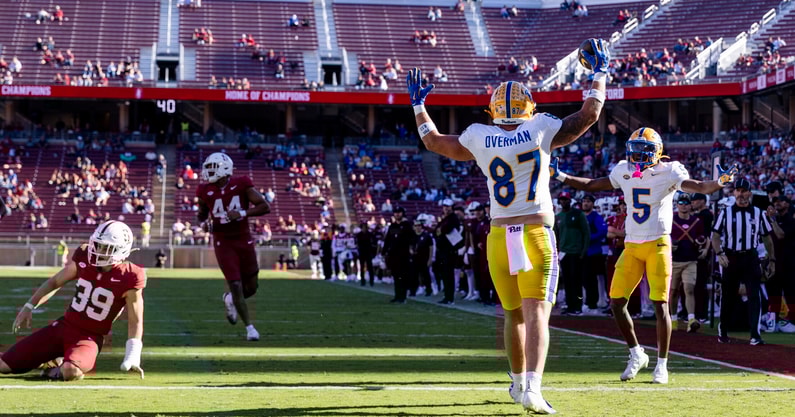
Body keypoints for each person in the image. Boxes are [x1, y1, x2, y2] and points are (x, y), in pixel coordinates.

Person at [405, 37, 609, 413]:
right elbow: (589, 115)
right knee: (537, 315)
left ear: (492, 110)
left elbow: (433, 141)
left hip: (499, 237)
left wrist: (419, 105)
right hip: (534, 234)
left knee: (512, 314)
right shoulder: (541, 127)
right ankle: (532, 388)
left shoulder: (478, 136)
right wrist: (599, 74)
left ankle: (517, 385)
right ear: (531, 107)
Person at [550, 126, 738, 384]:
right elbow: (593, 185)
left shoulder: (669, 170)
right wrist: (560, 176)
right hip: (632, 246)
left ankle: (662, 364)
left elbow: (698, 187)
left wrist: (719, 183)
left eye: (644, 150)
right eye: (634, 150)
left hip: (658, 244)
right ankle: (636, 353)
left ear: (657, 151)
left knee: (661, 304)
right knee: (616, 302)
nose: (638, 156)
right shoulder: (623, 169)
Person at [1, 221, 146, 381]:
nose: (98, 251)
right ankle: (48, 361)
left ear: (121, 250)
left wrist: (133, 354)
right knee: (4, 365)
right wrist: (29, 306)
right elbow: (55, 282)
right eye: (97, 245)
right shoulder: (84, 256)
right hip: (63, 327)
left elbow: (135, 320)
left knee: (71, 370)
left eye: (106, 248)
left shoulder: (130, 276)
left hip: (89, 338)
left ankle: (55, 366)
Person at [196, 152, 271, 341]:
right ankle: (250, 328)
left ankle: (229, 299)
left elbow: (264, 206)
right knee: (236, 284)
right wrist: (204, 224)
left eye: (212, 167)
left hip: (243, 239)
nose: (208, 172)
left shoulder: (242, 184)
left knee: (251, 287)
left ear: (224, 168)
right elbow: (201, 215)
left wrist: (243, 213)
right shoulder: (205, 191)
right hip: (223, 241)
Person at [711, 178, 776, 345]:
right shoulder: (725, 213)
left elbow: (767, 238)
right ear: (734, 193)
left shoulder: (758, 213)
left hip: (750, 256)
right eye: (738, 191)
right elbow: (715, 236)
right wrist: (719, 253)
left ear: (749, 193)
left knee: (754, 295)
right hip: (731, 257)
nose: (740, 194)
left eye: (743, 191)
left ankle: (755, 334)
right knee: (728, 296)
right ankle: (723, 330)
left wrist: (772, 259)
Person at [669, 193, 707, 332]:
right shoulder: (670, 219)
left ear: (690, 205)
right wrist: (670, 246)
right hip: (673, 261)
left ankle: (691, 319)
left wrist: (702, 246)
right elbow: (663, 236)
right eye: (681, 203)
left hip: (690, 260)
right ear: (677, 204)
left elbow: (703, 237)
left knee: (689, 289)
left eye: (686, 203)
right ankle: (673, 318)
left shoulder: (696, 221)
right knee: (673, 291)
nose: (684, 205)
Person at [555, 191, 590, 315]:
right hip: (564, 253)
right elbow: (556, 236)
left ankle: (578, 306)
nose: (564, 201)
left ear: (570, 201)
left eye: (566, 199)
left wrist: (583, 251)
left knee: (577, 280)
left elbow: (586, 233)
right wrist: (557, 251)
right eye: (562, 199)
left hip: (576, 252)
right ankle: (570, 305)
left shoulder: (578, 214)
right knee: (567, 281)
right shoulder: (558, 217)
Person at [382, 207, 413, 303]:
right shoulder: (392, 226)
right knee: (395, 276)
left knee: (403, 276)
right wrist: (384, 252)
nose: (397, 214)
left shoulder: (407, 225)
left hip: (403, 255)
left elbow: (411, 238)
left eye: (399, 213)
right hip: (393, 255)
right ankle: (397, 295)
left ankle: (402, 297)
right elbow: (387, 240)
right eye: (395, 213)